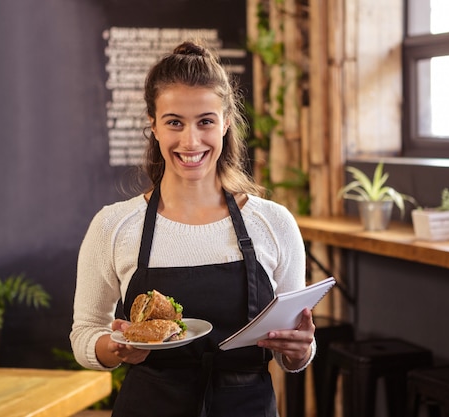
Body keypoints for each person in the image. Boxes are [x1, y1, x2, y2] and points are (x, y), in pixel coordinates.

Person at [70, 40, 316, 417]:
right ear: (153, 125)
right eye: (174, 123)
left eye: (205, 121)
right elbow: (85, 333)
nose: (191, 141)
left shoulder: (274, 223)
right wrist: (115, 348)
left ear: (226, 122)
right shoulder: (114, 226)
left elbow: (295, 349)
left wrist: (301, 350)